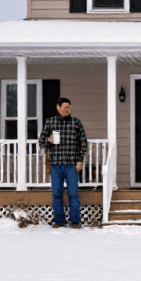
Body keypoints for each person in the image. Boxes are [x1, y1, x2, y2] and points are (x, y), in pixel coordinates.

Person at [39, 97, 88, 229]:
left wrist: (80, 160)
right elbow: (41, 141)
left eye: (69, 107)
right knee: (57, 194)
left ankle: (75, 221)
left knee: (73, 193)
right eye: (65, 107)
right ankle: (59, 220)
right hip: (56, 164)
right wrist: (49, 140)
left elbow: (83, 143)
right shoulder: (50, 122)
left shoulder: (76, 123)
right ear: (58, 107)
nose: (67, 109)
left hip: (72, 165)